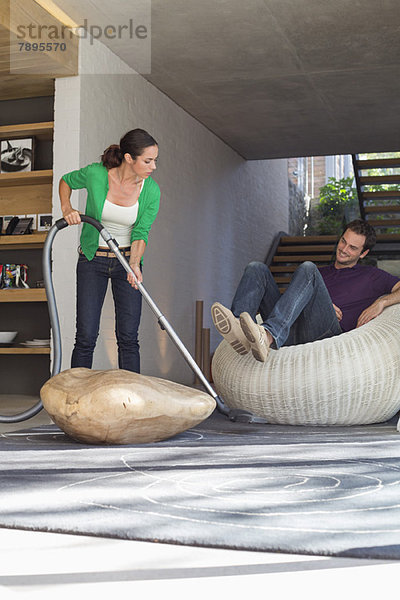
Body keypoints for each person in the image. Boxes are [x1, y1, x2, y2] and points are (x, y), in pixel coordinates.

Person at [212, 219, 400, 362]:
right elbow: (289, 306)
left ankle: (267, 336)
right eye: (343, 241)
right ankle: (239, 328)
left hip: (325, 332)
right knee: (256, 268)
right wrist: (315, 301)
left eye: (352, 248)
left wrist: (381, 302)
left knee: (307, 268)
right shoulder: (319, 274)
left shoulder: (372, 276)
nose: (343, 249)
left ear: (363, 253)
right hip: (291, 328)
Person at [59, 128, 160, 373]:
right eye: (148, 161)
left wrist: (135, 264)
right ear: (129, 158)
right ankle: (77, 399)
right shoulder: (96, 175)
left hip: (127, 260)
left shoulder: (151, 191)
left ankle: (130, 401)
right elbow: (66, 181)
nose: (153, 166)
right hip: (92, 260)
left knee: (128, 338)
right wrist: (67, 208)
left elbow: (141, 232)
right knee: (85, 336)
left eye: (155, 160)